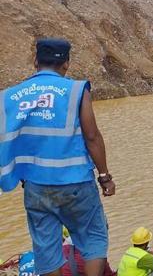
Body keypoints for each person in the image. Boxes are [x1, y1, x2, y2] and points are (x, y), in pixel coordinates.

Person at [0, 38, 116, 276]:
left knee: (46, 246)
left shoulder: (9, 96)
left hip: (35, 185)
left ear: (35, 62)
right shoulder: (75, 90)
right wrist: (104, 177)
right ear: (66, 64)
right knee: (93, 236)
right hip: (76, 182)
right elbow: (92, 136)